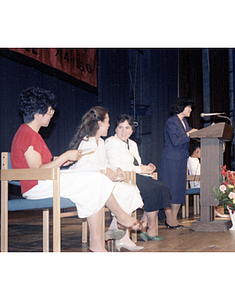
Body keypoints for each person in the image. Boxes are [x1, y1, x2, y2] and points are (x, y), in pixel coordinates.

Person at [10, 87, 147, 252]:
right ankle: (122, 218)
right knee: (96, 180)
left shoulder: (31, 134)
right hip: (37, 186)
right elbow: (37, 171)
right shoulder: (27, 134)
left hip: (45, 180)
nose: (52, 113)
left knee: (95, 182)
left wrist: (62, 160)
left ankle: (98, 245)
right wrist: (63, 157)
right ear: (37, 115)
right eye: (49, 111)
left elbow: (42, 165)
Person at [69, 106, 144, 251]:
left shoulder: (101, 142)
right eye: (108, 121)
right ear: (100, 123)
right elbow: (84, 167)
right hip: (86, 183)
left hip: (101, 180)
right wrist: (106, 171)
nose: (109, 125)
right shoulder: (86, 141)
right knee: (121, 191)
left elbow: (105, 164)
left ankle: (121, 236)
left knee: (130, 189)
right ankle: (121, 230)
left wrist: (117, 170)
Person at [105, 114, 178, 241]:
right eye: (120, 127)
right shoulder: (111, 141)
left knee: (163, 188)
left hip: (136, 175)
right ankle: (151, 228)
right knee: (154, 189)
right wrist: (140, 169)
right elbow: (116, 165)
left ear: (132, 130)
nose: (124, 131)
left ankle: (145, 224)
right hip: (123, 177)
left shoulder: (132, 144)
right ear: (115, 129)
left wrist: (146, 168)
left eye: (127, 128)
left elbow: (136, 164)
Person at [159, 97, 199, 228]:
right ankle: (169, 219)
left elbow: (187, 135)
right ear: (181, 107)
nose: (191, 110)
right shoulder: (171, 122)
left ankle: (174, 219)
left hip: (181, 160)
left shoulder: (184, 122)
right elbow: (175, 141)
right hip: (171, 161)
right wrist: (188, 134)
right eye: (189, 107)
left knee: (179, 191)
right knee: (171, 190)